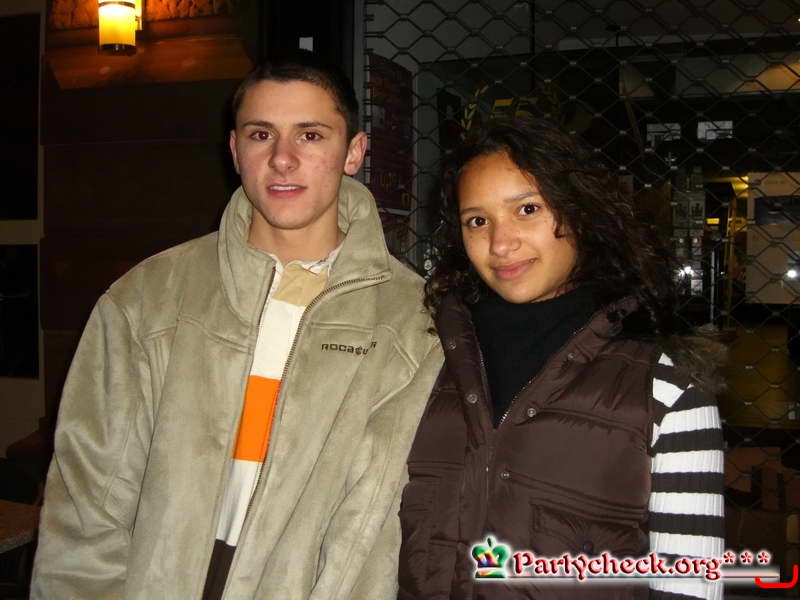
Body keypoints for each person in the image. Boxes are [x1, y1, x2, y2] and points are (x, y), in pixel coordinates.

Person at [31, 51, 443, 600]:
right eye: (261, 134)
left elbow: (377, 527)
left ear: (354, 152)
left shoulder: (411, 320)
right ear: (234, 150)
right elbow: (89, 497)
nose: (282, 159)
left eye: (311, 136)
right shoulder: (149, 296)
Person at [398, 117, 724, 600]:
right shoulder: (426, 360)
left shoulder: (667, 387)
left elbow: (690, 585)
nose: (500, 243)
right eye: (477, 220)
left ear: (580, 214)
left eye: (527, 209)